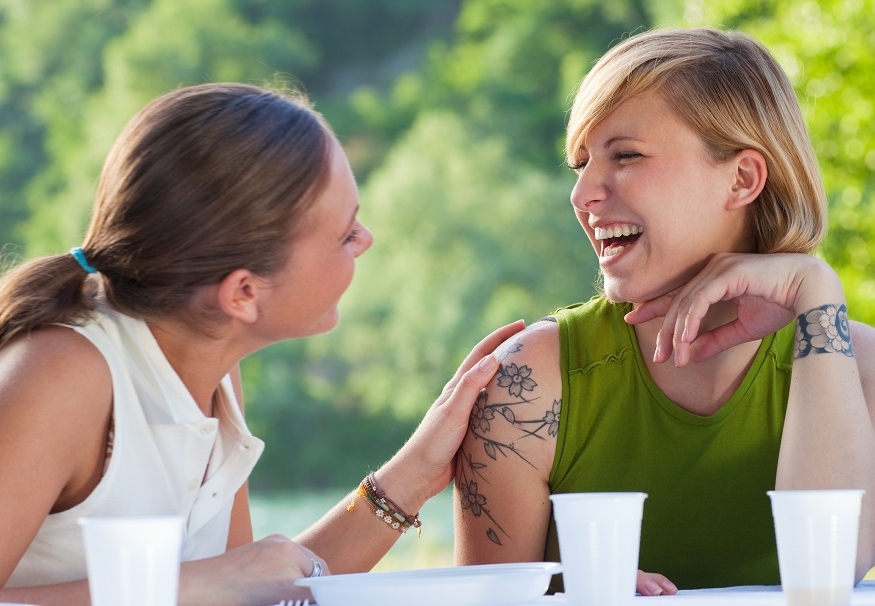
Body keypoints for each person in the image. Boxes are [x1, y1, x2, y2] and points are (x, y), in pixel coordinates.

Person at [0, 82, 525, 606]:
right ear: (244, 293)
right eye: (344, 234)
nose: (366, 240)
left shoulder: (212, 371)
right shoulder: (61, 374)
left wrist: (415, 472)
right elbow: (213, 589)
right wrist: (194, 586)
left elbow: (256, 591)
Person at [453, 26, 875, 594]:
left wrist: (815, 290)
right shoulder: (531, 377)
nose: (583, 193)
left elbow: (833, 565)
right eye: (581, 164)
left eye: (626, 156)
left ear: (743, 178)